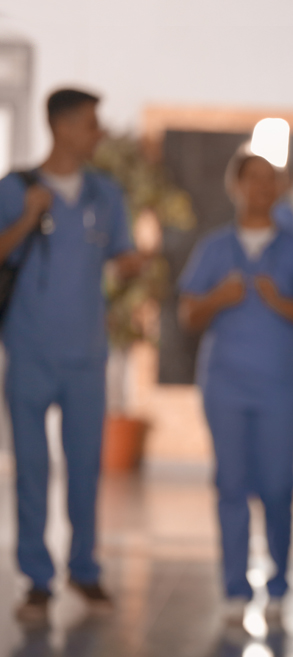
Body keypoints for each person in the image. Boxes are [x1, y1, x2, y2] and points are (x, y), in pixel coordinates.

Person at [0, 88, 141, 622]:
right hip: (29, 354)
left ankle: (84, 570)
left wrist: (132, 262)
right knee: (32, 469)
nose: (98, 133)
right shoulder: (15, 189)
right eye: (90, 124)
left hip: (86, 356)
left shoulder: (107, 194)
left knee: (85, 469)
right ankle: (37, 580)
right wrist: (26, 218)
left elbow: (120, 252)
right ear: (60, 128)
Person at [178, 154, 293, 625]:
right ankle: (233, 589)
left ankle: (279, 584)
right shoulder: (213, 248)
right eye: (254, 178)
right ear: (235, 185)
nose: (263, 187)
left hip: (279, 388)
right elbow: (187, 315)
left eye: (272, 179)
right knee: (229, 485)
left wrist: (282, 303)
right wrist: (216, 299)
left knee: (279, 486)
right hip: (224, 385)